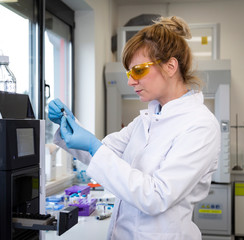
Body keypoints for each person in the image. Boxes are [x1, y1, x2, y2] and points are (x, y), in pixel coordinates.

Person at [49, 16, 220, 240]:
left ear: (170, 66)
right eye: (129, 73)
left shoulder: (200, 125)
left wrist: (93, 146)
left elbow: (156, 196)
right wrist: (69, 125)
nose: (130, 81)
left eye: (138, 71)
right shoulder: (146, 120)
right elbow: (101, 152)